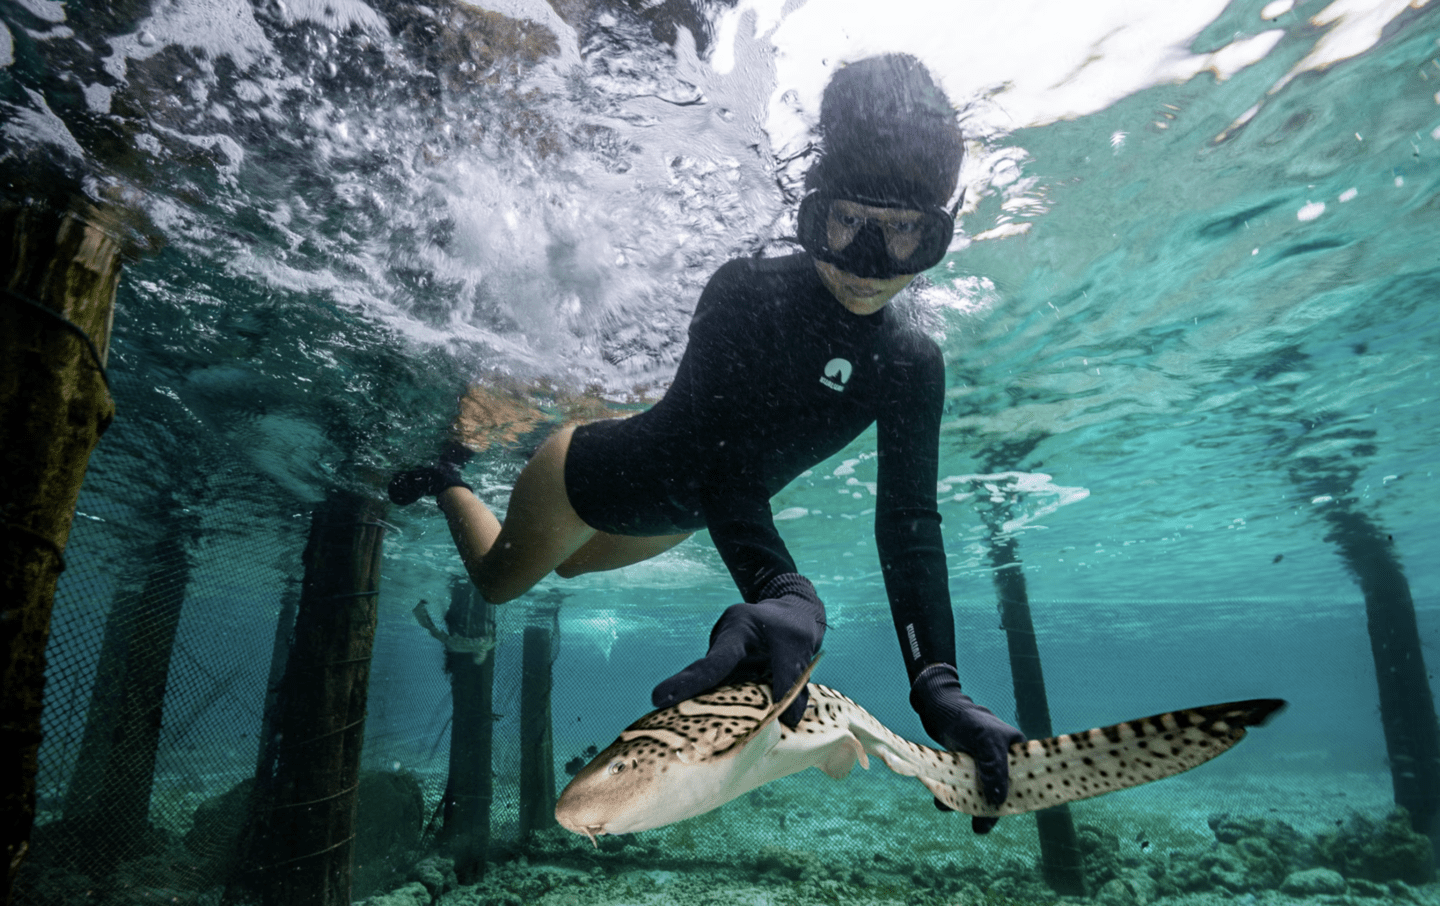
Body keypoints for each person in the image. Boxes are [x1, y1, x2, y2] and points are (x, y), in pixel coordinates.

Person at [390, 53, 1023, 833]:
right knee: (498, 582)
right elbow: (718, 460)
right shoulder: (744, 292)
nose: (866, 264)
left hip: (683, 515)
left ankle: (498, 496)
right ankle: (449, 473)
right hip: (591, 478)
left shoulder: (911, 363)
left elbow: (910, 525)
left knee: (576, 564)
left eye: (903, 234)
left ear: (936, 236)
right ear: (811, 206)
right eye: (846, 221)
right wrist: (784, 590)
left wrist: (939, 686)